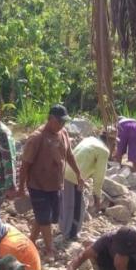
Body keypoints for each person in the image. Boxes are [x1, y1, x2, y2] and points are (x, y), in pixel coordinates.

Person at [18, 104, 85, 256]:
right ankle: (50, 249)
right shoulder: (37, 138)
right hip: (37, 185)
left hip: (56, 184)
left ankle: (31, 241)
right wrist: (21, 187)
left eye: (64, 122)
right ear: (50, 119)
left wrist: (78, 173)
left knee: (50, 216)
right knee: (45, 217)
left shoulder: (63, 133)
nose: (62, 125)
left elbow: (69, 155)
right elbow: (25, 165)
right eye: (59, 121)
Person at [60, 135, 110, 241]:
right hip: (74, 177)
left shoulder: (89, 140)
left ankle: (65, 230)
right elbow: (99, 178)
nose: (115, 147)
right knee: (76, 208)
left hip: (64, 171)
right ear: (109, 141)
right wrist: (97, 198)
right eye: (114, 144)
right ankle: (70, 235)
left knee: (67, 204)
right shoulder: (104, 151)